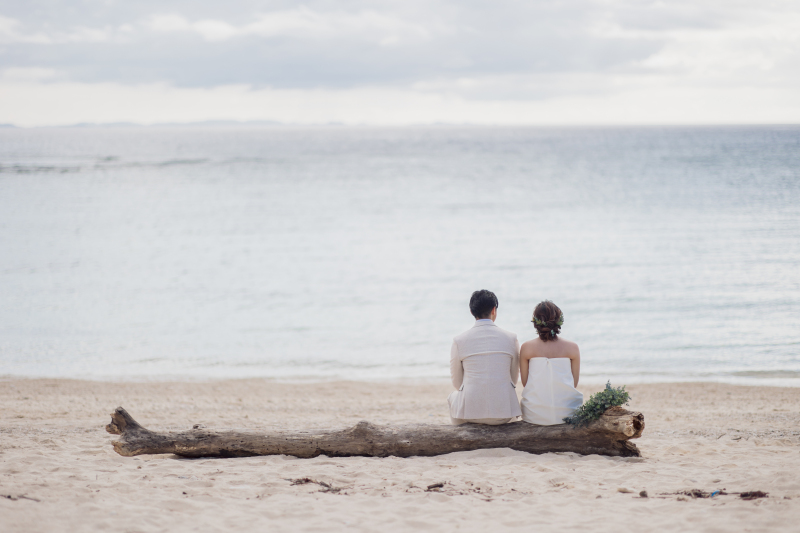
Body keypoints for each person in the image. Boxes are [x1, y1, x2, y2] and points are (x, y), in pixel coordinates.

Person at [448, 290, 522, 425]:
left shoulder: (459, 340)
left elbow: (458, 383)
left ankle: (462, 438)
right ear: (494, 310)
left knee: (452, 397)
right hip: (503, 413)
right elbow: (513, 379)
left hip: (470, 414)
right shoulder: (511, 338)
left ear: (471, 312)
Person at [519, 300, 583, 425]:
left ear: (535, 322)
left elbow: (526, 382)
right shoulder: (572, 347)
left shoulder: (526, 348)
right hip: (568, 414)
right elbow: (573, 383)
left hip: (534, 415)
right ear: (559, 321)